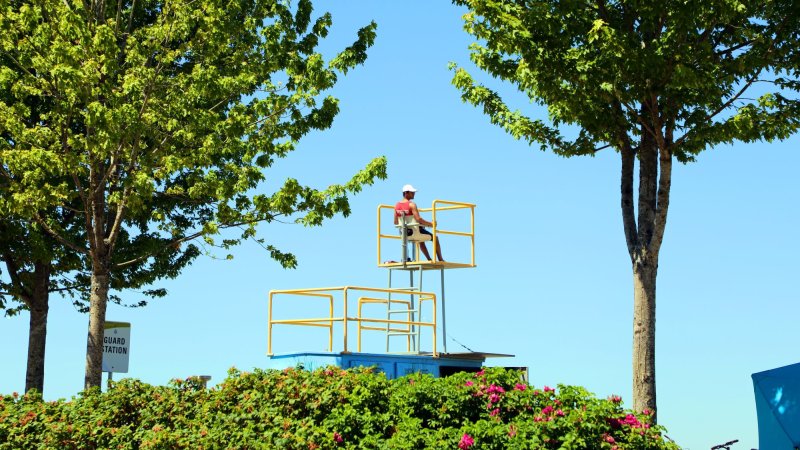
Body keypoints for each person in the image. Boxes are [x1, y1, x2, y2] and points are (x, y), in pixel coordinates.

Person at [394, 184, 444, 262]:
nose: (414, 193)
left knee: (420, 237)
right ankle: (440, 259)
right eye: (412, 192)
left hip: (404, 234)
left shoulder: (396, 206)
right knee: (435, 238)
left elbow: (395, 222)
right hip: (415, 233)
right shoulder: (412, 205)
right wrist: (431, 224)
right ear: (406, 193)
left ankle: (429, 259)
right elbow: (418, 219)